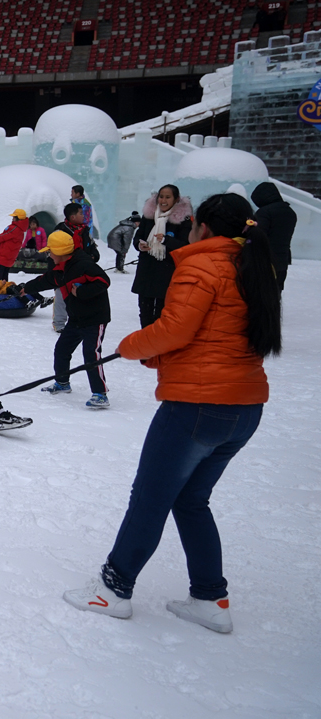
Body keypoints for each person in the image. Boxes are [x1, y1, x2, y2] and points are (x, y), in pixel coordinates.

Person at [63, 193, 281, 633]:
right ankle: (209, 598)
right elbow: (213, 336)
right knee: (190, 499)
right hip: (244, 407)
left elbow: (175, 329)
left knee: (151, 497)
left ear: (202, 225)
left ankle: (113, 589)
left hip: (200, 405)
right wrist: (156, 357)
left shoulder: (203, 264)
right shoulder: (252, 262)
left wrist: (131, 346)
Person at [17, 230, 111, 409]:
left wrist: (82, 292)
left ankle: (100, 394)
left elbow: (104, 281)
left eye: (50, 251)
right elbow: (46, 280)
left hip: (94, 317)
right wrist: (26, 288)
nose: (49, 254)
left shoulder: (84, 265)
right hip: (76, 317)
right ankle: (62, 383)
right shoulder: (61, 268)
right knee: (62, 349)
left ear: (60, 253)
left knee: (91, 354)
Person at [131, 185, 193, 328]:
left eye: (167, 197)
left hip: (167, 272)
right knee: (144, 311)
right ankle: (145, 342)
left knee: (161, 312)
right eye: (161, 196)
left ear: (176, 199)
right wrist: (140, 245)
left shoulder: (183, 220)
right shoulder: (149, 216)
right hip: (147, 270)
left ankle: (156, 344)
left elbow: (185, 245)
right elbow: (139, 235)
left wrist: (166, 240)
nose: (163, 200)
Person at [52, 202, 97, 331]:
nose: (83, 216)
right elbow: (54, 251)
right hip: (64, 269)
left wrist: (93, 256)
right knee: (61, 296)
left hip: (82, 269)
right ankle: (59, 324)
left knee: (80, 295)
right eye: (81, 213)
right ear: (72, 217)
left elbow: (92, 247)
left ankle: (79, 321)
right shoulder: (61, 230)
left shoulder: (84, 230)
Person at [251, 181, 296, 291]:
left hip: (265, 261)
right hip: (282, 260)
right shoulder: (290, 212)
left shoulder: (264, 213)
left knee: (262, 294)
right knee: (275, 293)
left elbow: (258, 236)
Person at [0, 209, 27, 282]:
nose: (12, 219)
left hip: (4, 254)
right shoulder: (21, 230)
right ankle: (4, 288)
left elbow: (3, 236)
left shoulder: (13, 228)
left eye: (14, 217)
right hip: (11, 255)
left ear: (17, 218)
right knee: (5, 273)